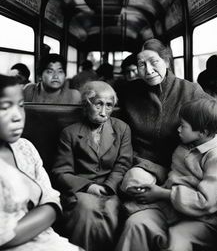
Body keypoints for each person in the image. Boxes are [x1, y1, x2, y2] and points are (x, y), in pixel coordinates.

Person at [115, 38, 217, 251]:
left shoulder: (190, 92)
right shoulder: (129, 91)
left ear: (166, 61)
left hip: (178, 184)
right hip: (146, 166)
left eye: (153, 62)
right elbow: (103, 98)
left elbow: (208, 113)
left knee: (170, 234)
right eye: (141, 64)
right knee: (133, 195)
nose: (147, 70)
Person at [119, 98, 217, 251]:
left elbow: (204, 201)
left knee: (176, 241)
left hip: (202, 218)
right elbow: (174, 174)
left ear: (203, 132)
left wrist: (163, 194)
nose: (178, 129)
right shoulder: (186, 145)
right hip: (171, 209)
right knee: (136, 223)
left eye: (183, 126)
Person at [0, 74, 83, 251]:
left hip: (45, 238)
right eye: (5, 107)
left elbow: (52, 198)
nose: (17, 116)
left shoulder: (25, 148)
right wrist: (48, 211)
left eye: (20, 106)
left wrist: (50, 208)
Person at [51, 81, 133, 251]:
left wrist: (108, 187)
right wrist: (89, 187)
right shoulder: (70, 133)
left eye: (109, 106)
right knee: (86, 209)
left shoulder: (122, 129)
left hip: (111, 190)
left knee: (111, 208)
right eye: (98, 104)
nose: (104, 112)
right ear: (86, 104)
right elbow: (61, 172)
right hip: (81, 191)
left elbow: (123, 165)